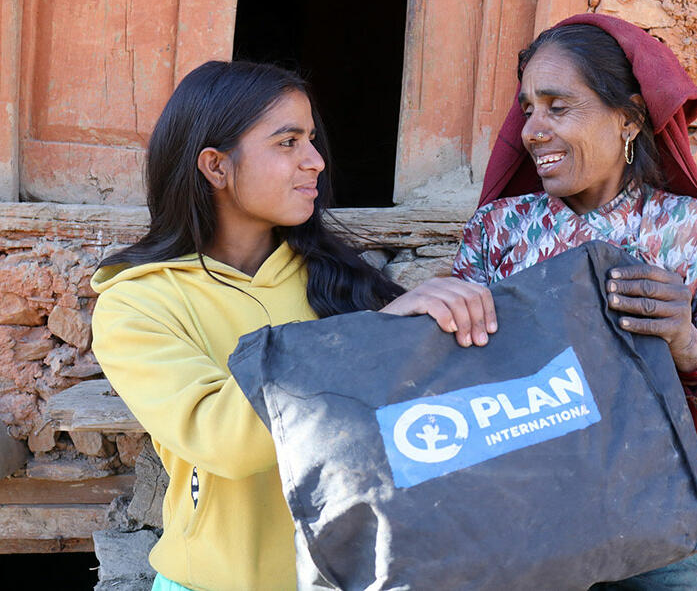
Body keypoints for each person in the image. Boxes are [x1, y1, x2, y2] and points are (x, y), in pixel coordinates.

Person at [90, 61, 496, 591]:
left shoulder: (337, 279)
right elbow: (227, 442)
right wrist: (374, 337)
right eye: (287, 143)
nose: (315, 161)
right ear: (216, 166)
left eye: (311, 139)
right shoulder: (139, 303)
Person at [452, 13, 697, 590]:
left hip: (656, 546)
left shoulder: (693, 234)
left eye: (557, 107)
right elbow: (453, 396)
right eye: (527, 108)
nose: (532, 129)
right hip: (523, 537)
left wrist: (688, 344)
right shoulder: (498, 231)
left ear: (629, 118)